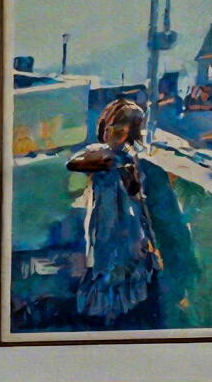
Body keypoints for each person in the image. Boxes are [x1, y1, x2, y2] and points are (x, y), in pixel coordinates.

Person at [66, 96, 163, 327]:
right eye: (115, 129)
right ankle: (109, 318)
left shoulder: (128, 159)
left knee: (122, 268)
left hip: (126, 227)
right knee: (107, 266)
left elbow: (137, 198)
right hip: (107, 224)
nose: (117, 134)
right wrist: (112, 158)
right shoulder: (103, 155)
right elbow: (74, 163)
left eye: (124, 130)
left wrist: (151, 240)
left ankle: (117, 318)